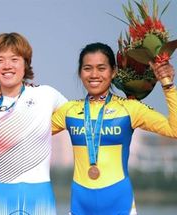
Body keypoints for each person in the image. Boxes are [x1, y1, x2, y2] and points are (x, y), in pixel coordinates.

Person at [51, 42, 177, 215]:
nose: (94, 74)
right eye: (88, 68)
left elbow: (174, 129)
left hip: (120, 206)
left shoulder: (130, 108)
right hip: (80, 207)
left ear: (113, 72)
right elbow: (25, 133)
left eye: (101, 68)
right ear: (80, 73)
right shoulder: (69, 110)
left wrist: (167, 84)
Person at [0, 32, 67, 215]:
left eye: (14, 59)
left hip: (40, 197)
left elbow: (80, 119)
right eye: (0, 60)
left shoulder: (47, 95)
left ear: (25, 63)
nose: (7, 66)